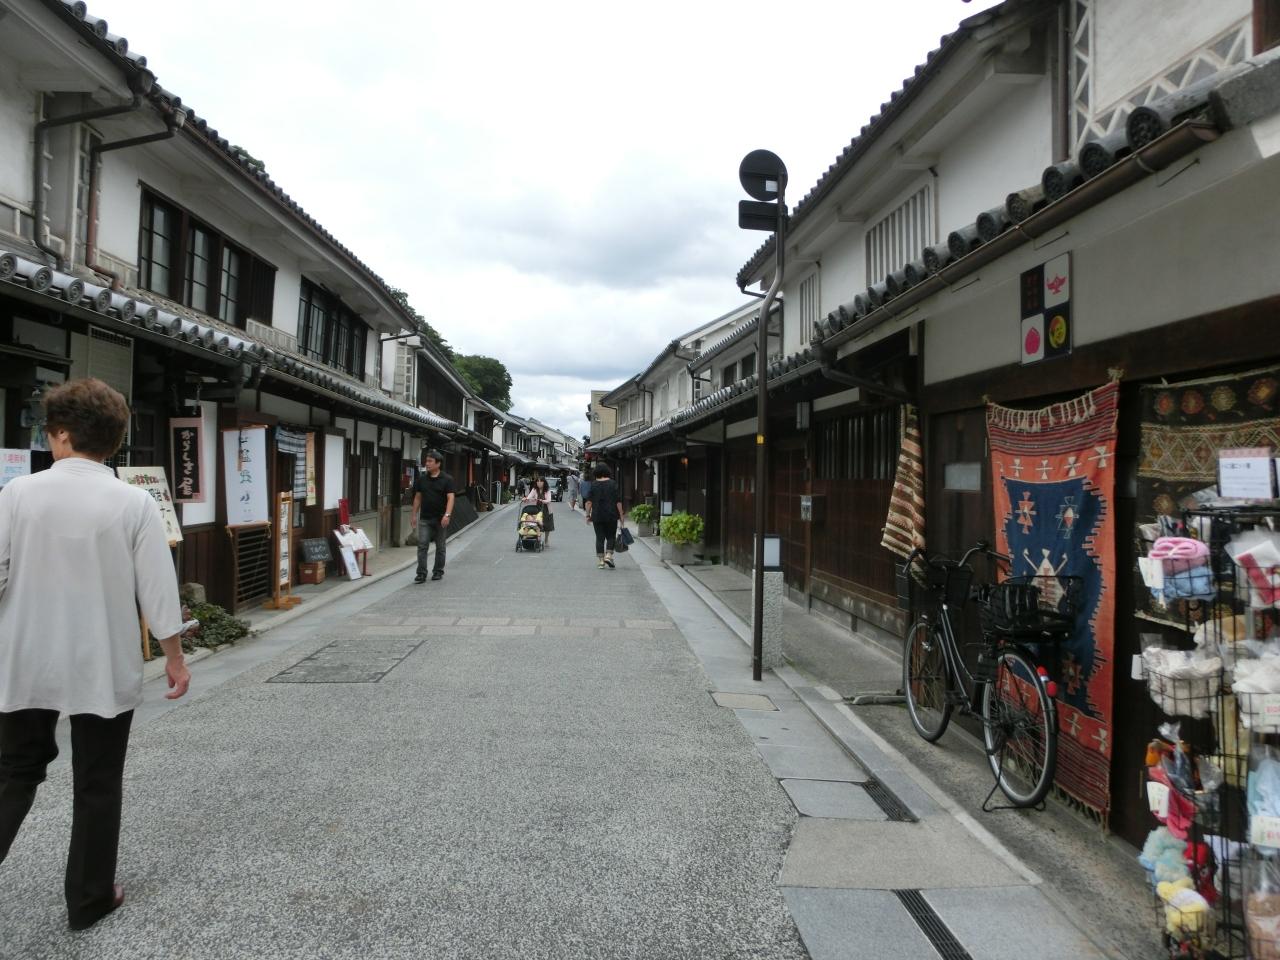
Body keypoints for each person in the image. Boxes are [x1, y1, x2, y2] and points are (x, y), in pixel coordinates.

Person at [0, 378, 191, 931]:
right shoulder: (133, 502)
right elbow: (158, 589)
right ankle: (88, 899)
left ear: (61, 434)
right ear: (113, 439)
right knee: (98, 780)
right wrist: (174, 657)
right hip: (103, 661)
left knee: (14, 774)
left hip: (25, 656)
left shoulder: (18, 494)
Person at [411, 449, 456, 583]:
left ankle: (438, 571)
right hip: (425, 518)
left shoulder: (447, 479)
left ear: (438, 463)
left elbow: (451, 498)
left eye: (430, 461)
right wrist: (414, 515)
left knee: (440, 547)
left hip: (441, 518)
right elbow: (418, 498)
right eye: (426, 461)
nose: (427, 463)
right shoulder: (422, 480)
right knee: (422, 545)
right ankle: (421, 573)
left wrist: (447, 515)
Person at [583, 464, 624, 569]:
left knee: (599, 538)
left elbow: (588, 502)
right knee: (611, 536)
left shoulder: (593, 485)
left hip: (597, 515)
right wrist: (621, 515)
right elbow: (618, 501)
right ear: (607, 471)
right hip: (611, 515)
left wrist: (587, 515)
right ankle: (609, 555)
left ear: (596, 473)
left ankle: (601, 561)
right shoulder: (613, 484)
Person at [527, 477, 554, 546]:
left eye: (541, 481)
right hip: (537, 508)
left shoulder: (547, 490)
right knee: (537, 523)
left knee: (547, 526)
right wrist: (526, 499)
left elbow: (549, 500)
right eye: (538, 481)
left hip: (546, 509)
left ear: (544, 482)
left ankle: (546, 539)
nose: (539, 483)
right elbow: (530, 496)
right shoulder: (534, 489)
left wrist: (542, 501)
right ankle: (539, 538)